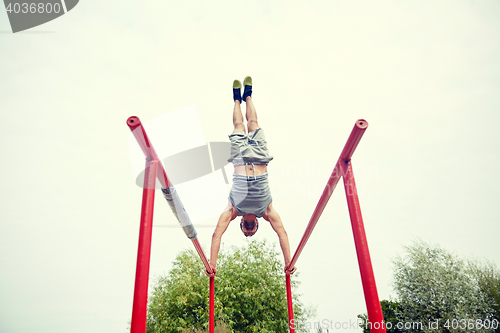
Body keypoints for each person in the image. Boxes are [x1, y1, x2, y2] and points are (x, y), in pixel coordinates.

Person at [205, 76, 297, 278]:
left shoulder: (232, 211)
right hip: (261, 157)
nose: (248, 230)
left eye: (245, 232)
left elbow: (217, 234)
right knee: (253, 122)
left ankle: (237, 99)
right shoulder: (267, 211)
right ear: (256, 224)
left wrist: (212, 263)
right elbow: (282, 233)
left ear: (240, 224)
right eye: (251, 231)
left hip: (239, 158)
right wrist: (288, 262)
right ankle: (248, 96)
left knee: (239, 125)